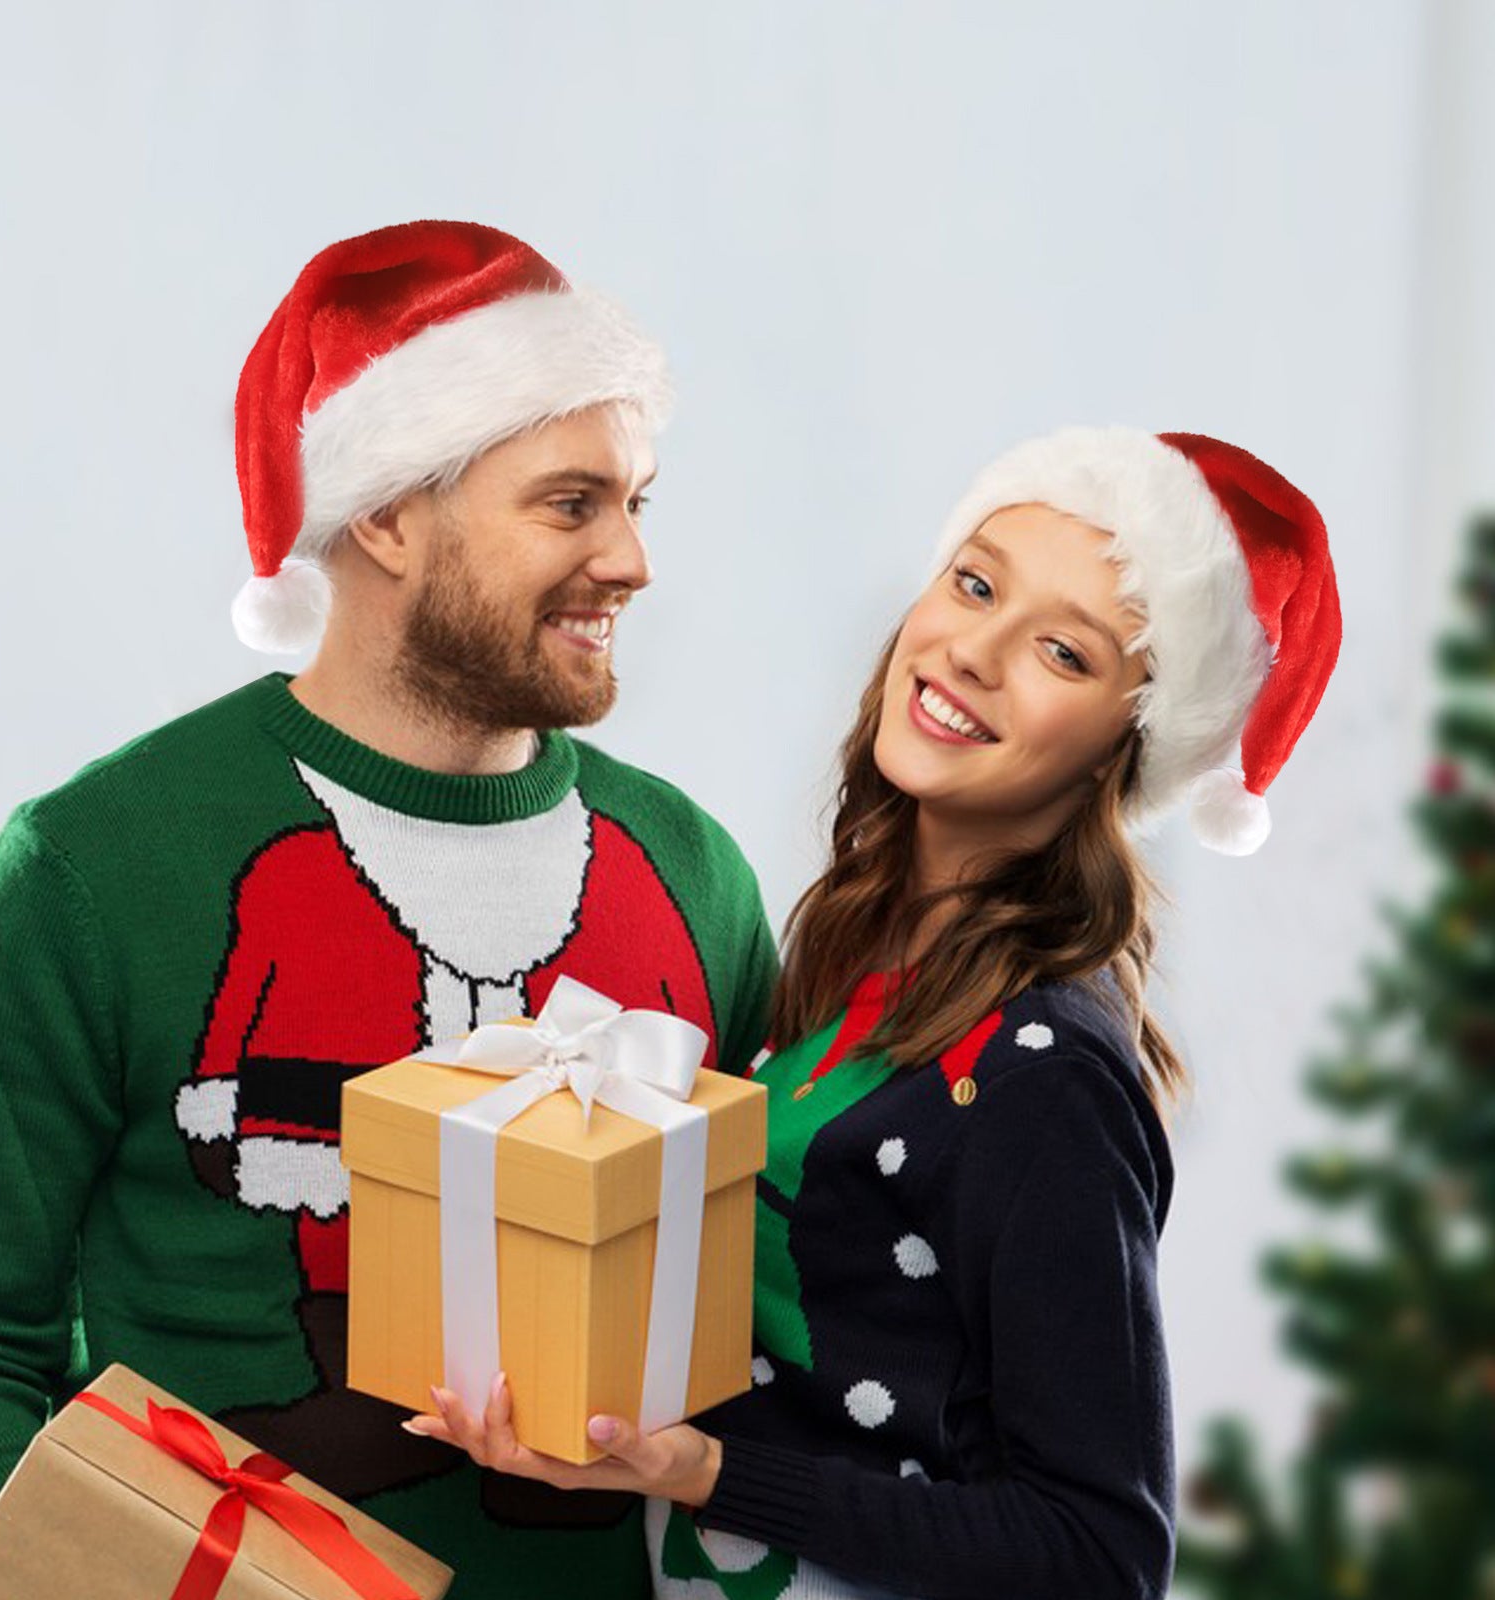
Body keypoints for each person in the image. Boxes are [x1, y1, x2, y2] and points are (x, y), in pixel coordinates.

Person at [0, 221, 778, 1599]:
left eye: (637, 503)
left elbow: (760, 1314)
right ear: (386, 514)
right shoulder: (89, 866)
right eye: (569, 504)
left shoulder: (694, 876)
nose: (630, 561)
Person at [408, 426, 1344, 1600]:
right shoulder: (860, 946)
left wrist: (708, 1472)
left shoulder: (1040, 1067)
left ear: (1128, 738)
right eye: (974, 582)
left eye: (1062, 651)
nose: (975, 651)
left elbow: (1102, 1553)